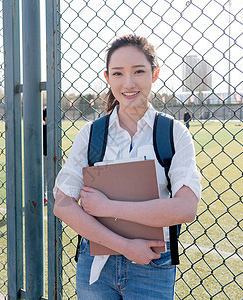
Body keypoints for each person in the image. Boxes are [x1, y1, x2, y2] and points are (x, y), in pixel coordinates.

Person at [53, 34, 201, 299]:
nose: (128, 83)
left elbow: (185, 208)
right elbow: (62, 203)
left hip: (152, 263)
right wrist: (123, 245)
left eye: (139, 71)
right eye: (118, 73)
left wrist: (108, 207)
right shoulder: (91, 134)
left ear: (155, 74)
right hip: (96, 263)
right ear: (107, 78)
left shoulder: (172, 133)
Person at [43, 106, 48, 206]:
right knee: (45, 178)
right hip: (45, 156)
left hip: (47, 156)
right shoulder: (44, 128)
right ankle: (44, 197)